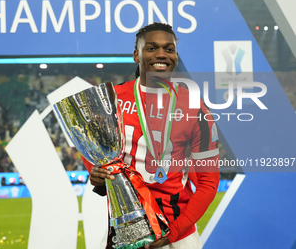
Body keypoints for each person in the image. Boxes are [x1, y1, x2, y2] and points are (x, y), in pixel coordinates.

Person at [82, 22, 219, 249]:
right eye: (151, 48)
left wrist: (172, 234)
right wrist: (95, 174)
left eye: (169, 49)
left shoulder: (196, 107)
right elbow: (93, 155)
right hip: (126, 232)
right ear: (136, 54)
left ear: (176, 55)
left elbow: (208, 182)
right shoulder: (112, 100)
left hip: (178, 235)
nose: (161, 54)